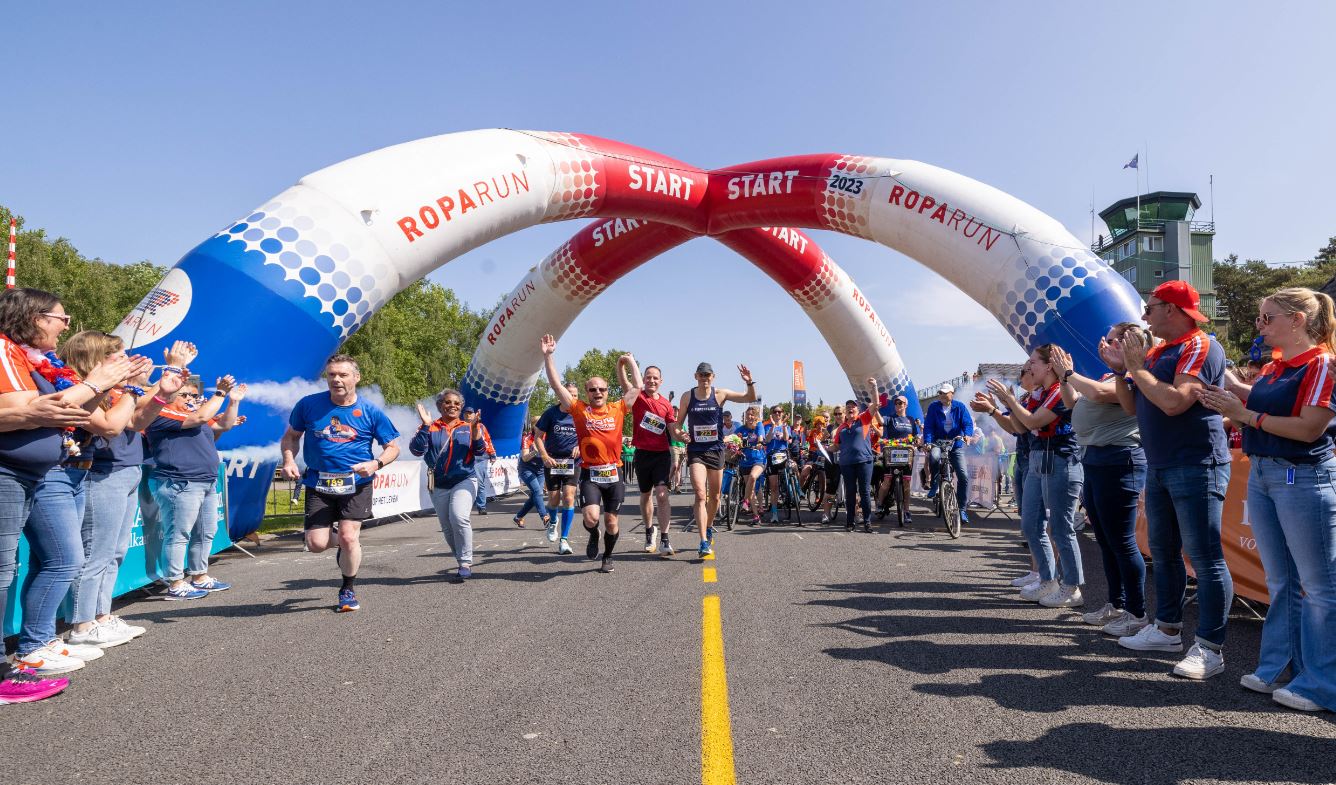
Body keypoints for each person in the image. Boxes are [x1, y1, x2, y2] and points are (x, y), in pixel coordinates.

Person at [1201, 287, 1336, 711]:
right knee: (1283, 582)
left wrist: (1243, 413)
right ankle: (1281, 668)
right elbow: (1260, 405)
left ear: (1298, 320)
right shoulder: (1279, 367)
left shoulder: (1322, 364)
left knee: (1318, 587)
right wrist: (1231, 393)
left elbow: (1309, 429)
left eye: (1267, 317)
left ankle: (1322, 684)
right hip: (1266, 474)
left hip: (1302, 476)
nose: (1260, 325)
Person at [0, 290, 144, 676]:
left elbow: (66, 412)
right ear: (35, 317)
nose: (65, 326)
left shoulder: (36, 361)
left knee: (56, 560)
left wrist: (111, 387)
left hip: (47, 472)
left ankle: (39, 642)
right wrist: (99, 385)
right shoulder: (6, 350)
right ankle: (41, 643)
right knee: (63, 560)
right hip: (45, 474)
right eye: (61, 318)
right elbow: (102, 424)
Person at [1107, 280, 1233, 680]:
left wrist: (1136, 368)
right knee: (1162, 552)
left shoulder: (1200, 345)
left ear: (1172, 310)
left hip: (1196, 463)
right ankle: (1167, 630)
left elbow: (1176, 402)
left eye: (1150, 308)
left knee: (1205, 557)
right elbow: (1132, 406)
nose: (1143, 316)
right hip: (1161, 464)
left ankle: (1210, 647)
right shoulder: (1160, 351)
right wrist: (1122, 372)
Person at [64, 334, 185, 649]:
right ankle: (81, 625)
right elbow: (113, 425)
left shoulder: (115, 388)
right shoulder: (85, 388)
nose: (126, 359)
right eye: (118, 355)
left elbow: (138, 420)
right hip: (104, 473)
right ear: (96, 359)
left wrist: (162, 389)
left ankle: (101, 616)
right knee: (95, 553)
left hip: (127, 469)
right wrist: (142, 385)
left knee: (113, 553)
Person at [282, 354, 400, 609]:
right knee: (316, 544)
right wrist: (289, 461)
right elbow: (291, 436)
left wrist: (376, 463)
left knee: (348, 536)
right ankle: (347, 546)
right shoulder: (308, 405)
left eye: (343, 374)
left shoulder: (370, 411)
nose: (336, 379)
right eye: (331, 375)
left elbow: (392, 448)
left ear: (356, 377)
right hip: (319, 483)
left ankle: (347, 589)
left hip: (356, 483)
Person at [1052, 332, 1148, 632]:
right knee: (1106, 541)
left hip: (1118, 459)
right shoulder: (1109, 375)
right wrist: (1064, 378)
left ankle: (1136, 613)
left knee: (1121, 541)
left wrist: (1069, 373)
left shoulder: (1134, 375)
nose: (1105, 343)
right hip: (1096, 459)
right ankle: (1117, 604)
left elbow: (1098, 394)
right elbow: (1073, 402)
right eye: (1106, 338)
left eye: (1115, 340)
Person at [986, 345, 1084, 608]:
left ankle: (1072, 587)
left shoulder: (1059, 391)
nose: (1028, 368)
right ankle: (1048, 579)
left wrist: (1009, 401)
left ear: (1049, 366)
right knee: (1030, 524)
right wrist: (1004, 405)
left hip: (1060, 460)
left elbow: (1032, 422)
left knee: (1061, 528)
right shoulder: (1038, 394)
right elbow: (1020, 427)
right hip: (1038, 460)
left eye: (1033, 363)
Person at [541, 334, 631, 573]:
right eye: (593, 389)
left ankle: (608, 556)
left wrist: (628, 364)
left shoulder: (618, 408)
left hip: (614, 473)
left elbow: (637, 389)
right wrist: (548, 356)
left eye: (601, 389)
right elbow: (556, 386)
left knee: (611, 521)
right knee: (591, 518)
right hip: (590, 473)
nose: (597, 392)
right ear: (586, 392)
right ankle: (593, 534)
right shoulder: (578, 409)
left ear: (607, 391)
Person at [672, 361, 757, 556]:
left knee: (716, 497)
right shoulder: (687, 396)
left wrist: (749, 381)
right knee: (701, 495)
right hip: (696, 451)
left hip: (716, 451)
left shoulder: (720, 394)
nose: (704, 378)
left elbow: (749, 398)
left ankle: (709, 526)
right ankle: (703, 541)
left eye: (707, 375)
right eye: (701, 375)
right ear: (696, 376)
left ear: (713, 377)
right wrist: (681, 435)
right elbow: (677, 425)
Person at [409, 388, 483, 583]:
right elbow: (416, 450)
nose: (453, 406)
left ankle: (465, 562)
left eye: (457, 403)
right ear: (440, 405)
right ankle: (460, 559)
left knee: (458, 517)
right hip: (439, 483)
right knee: (447, 526)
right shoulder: (430, 427)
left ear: (461, 407)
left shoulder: (468, 427)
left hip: (464, 479)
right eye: (448, 402)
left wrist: (476, 431)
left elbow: (480, 451)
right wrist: (425, 425)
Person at [619, 356, 676, 557]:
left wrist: (683, 437)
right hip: (642, 454)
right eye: (648, 377)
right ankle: (649, 530)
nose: (652, 380)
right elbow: (625, 384)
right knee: (645, 496)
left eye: (655, 378)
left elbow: (673, 430)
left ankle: (665, 539)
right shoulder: (638, 397)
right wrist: (622, 365)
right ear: (644, 379)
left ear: (661, 381)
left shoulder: (667, 405)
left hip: (661, 455)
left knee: (661, 494)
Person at [535, 383, 581, 555]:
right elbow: (538, 437)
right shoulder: (550, 413)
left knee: (568, 497)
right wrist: (544, 456)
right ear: (560, 395)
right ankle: (553, 522)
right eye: (568, 394)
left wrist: (581, 446)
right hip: (553, 461)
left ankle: (564, 540)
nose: (571, 398)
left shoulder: (581, 413)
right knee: (554, 500)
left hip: (572, 462)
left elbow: (590, 435)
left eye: (575, 395)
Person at [833, 382, 884, 532]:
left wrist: (874, 388)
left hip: (864, 461)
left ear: (857, 409)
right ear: (845, 411)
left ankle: (867, 522)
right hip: (846, 464)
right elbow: (836, 446)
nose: (850, 408)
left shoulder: (864, 418)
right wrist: (822, 448)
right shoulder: (841, 428)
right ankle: (850, 522)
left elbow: (875, 404)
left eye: (853, 406)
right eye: (848, 407)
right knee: (850, 493)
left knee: (865, 492)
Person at [923, 383, 977, 524]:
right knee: (934, 457)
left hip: (955, 444)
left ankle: (962, 509)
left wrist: (967, 435)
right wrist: (928, 441)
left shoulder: (960, 407)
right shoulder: (933, 407)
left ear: (952, 394)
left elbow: (967, 423)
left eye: (945, 393)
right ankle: (935, 484)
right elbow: (928, 426)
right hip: (938, 442)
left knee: (963, 476)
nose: (942, 395)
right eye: (940, 393)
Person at [875, 394, 920, 523]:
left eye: (901, 403)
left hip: (906, 454)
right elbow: (881, 421)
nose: (898, 405)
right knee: (887, 480)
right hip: (891, 453)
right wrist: (876, 410)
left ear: (906, 405)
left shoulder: (910, 420)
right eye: (896, 403)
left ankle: (906, 511)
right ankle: (879, 504)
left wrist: (917, 442)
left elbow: (916, 436)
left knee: (906, 483)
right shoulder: (890, 418)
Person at [512, 416, 550, 530]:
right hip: (526, 469)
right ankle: (545, 517)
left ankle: (518, 517)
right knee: (538, 492)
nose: (542, 427)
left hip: (540, 470)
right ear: (533, 426)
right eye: (538, 425)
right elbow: (524, 458)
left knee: (535, 496)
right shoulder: (527, 438)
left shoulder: (547, 436)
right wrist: (535, 452)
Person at [733, 406, 767, 526]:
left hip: (758, 459)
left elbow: (761, 436)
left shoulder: (759, 426)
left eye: (752, 415)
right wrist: (732, 445)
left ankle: (746, 500)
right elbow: (733, 439)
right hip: (744, 461)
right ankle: (756, 516)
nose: (750, 417)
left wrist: (759, 442)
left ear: (756, 417)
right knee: (751, 488)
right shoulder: (741, 429)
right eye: (748, 415)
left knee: (753, 477)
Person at [762, 405, 793, 524]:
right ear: (772, 414)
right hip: (772, 456)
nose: (777, 414)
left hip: (783, 454)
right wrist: (773, 426)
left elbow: (786, 438)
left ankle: (795, 490)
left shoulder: (786, 426)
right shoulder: (767, 426)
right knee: (774, 487)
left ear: (782, 413)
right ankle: (774, 513)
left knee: (794, 467)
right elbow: (767, 440)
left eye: (780, 412)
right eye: (775, 412)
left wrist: (783, 427)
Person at [468, 408, 497, 515]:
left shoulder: (481, 426)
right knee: (464, 482)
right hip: (466, 457)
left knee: (480, 483)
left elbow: (487, 440)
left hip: (480, 458)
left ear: (474, 415)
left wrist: (492, 453)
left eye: (470, 413)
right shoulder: (461, 426)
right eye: (466, 413)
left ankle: (481, 507)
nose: (468, 415)